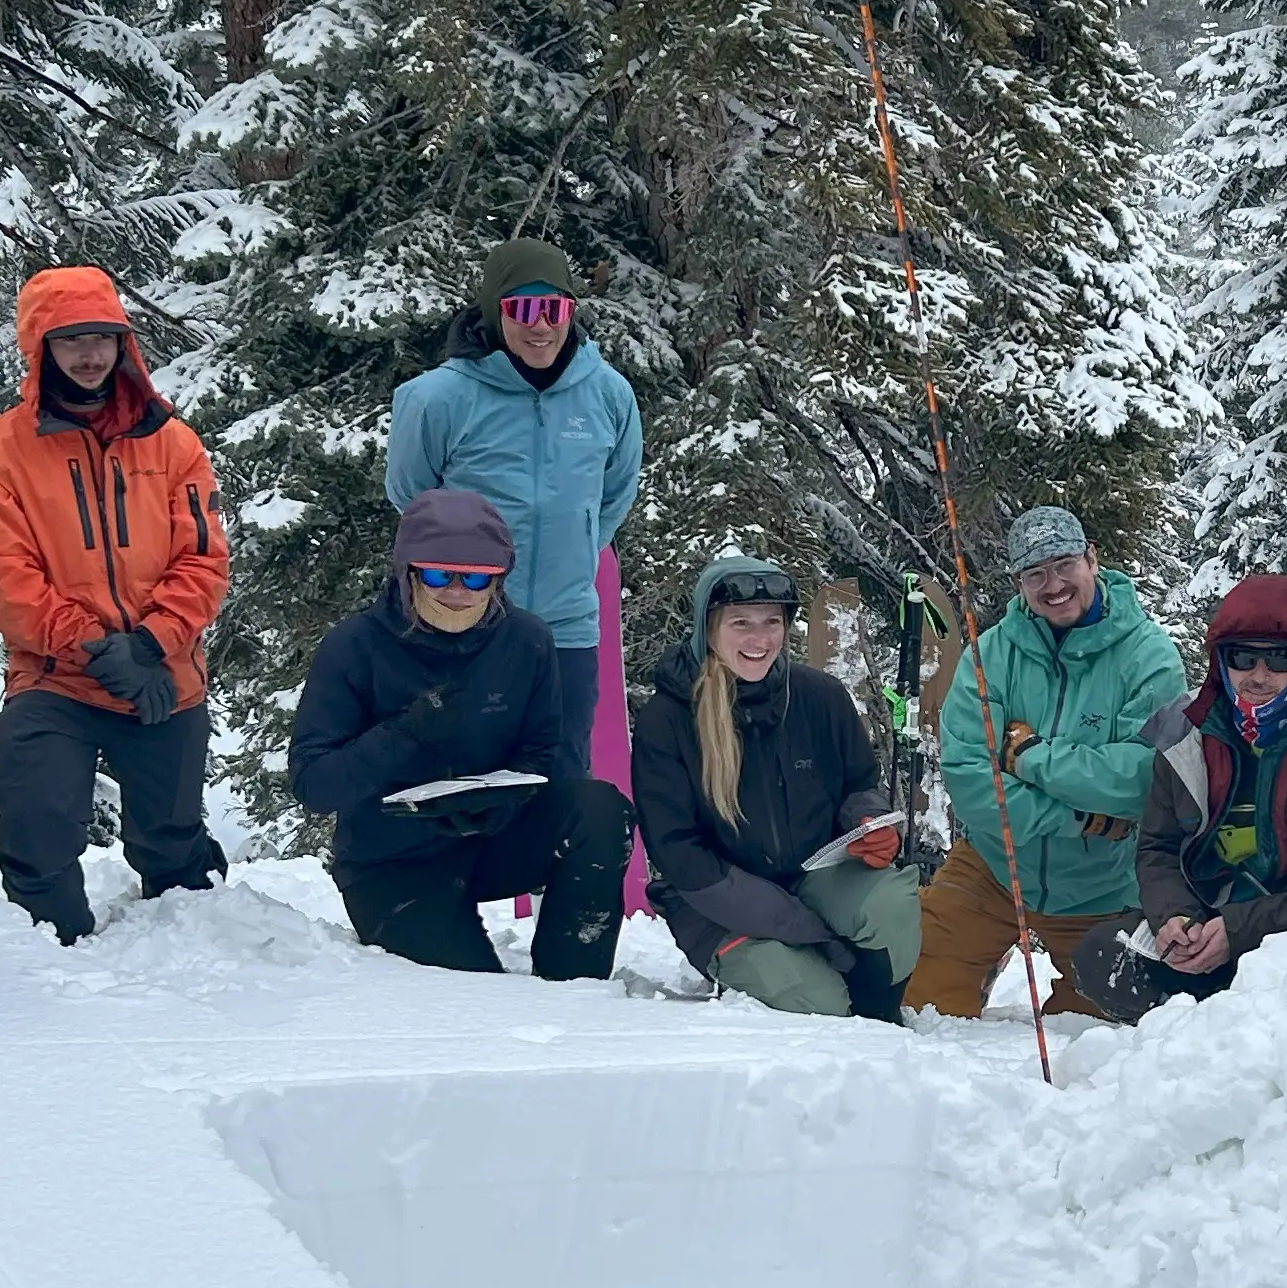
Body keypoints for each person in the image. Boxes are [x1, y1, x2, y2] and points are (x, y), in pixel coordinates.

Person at [0, 267, 230, 944]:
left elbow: (203, 558)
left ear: (123, 344)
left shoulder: (173, 441)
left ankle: (205, 948)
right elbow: (7, 576)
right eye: (70, 339)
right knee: (36, 811)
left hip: (162, 670)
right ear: (40, 349)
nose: (88, 355)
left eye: (102, 338)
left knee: (171, 842)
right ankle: (49, 946)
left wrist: (148, 645)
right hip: (57, 678)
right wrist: (92, 648)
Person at [287, 488, 630, 980]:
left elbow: (540, 753)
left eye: (475, 578)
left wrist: (497, 805)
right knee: (474, 997)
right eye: (437, 574)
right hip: (392, 861)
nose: (456, 590)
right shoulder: (354, 647)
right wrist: (405, 733)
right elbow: (313, 784)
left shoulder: (527, 640)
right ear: (407, 573)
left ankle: (573, 987)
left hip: (493, 839)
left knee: (599, 810)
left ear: (498, 580)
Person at [1074, 571, 1287, 1023]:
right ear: (1221, 660)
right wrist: (1175, 917)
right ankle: (1213, 1028)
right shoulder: (1187, 730)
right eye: (1243, 657)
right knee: (1104, 958)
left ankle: (1239, 1027)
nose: (1259, 676)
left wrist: (1240, 929)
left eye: (1279, 660)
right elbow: (1159, 847)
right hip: (1209, 922)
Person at [911, 506, 1189, 1018]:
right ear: (1019, 582)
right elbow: (970, 779)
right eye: (1034, 573)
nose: (1052, 584)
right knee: (918, 1004)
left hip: (1102, 886)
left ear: (1092, 558)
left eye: (1064, 564)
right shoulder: (989, 655)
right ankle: (980, 955)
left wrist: (1034, 758)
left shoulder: (1150, 657)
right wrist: (1079, 817)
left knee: (1093, 1036)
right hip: (991, 868)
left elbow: (1145, 779)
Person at [384, 238, 641, 783]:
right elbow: (412, 498)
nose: (540, 325)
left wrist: (577, 547)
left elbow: (615, 492)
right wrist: (463, 572)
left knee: (562, 770)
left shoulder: (610, 395)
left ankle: (552, 869)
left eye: (554, 308)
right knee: (460, 770)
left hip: (566, 626)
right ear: (493, 311)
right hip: (464, 618)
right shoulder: (436, 398)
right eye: (521, 309)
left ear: (572, 312)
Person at [628, 554, 919, 1018]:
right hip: (714, 903)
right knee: (813, 1000)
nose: (759, 639)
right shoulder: (669, 719)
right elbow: (678, 851)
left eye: (771, 622)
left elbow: (858, 783)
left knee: (892, 904)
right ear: (708, 626)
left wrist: (867, 821)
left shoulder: (819, 696)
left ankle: (880, 1024)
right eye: (740, 623)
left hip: (813, 877)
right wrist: (808, 929)